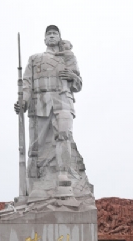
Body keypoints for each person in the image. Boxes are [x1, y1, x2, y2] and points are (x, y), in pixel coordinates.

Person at [14, 26, 92, 200]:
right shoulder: (35, 59)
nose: (51, 36)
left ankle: (63, 176)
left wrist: (72, 77)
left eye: (54, 33)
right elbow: (27, 84)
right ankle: (36, 183)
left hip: (63, 100)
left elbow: (78, 84)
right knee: (37, 146)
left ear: (59, 37)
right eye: (48, 34)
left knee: (64, 135)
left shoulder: (68, 57)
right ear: (44, 39)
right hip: (40, 104)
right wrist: (23, 102)